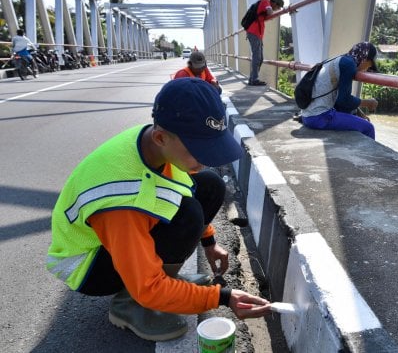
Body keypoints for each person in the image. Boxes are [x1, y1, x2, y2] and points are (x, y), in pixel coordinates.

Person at [46, 78, 271, 342]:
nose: (206, 158)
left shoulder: (154, 146)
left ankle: (162, 280)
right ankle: (129, 304)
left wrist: (209, 242)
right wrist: (222, 297)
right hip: (90, 265)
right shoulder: (122, 200)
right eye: (199, 150)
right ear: (161, 137)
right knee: (188, 216)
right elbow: (150, 280)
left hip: (116, 237)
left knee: (209, 185)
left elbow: (182, 186)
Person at [300, 41, 379, 139]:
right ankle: (370, 154)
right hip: (319, 117)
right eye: (370, 65)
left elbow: (338, 97)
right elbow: (343, 100)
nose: (368, 69)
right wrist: (368, 103)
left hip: (307, 115)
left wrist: (359, 113)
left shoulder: (338, 60)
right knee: (368, 127)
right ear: (365, 59)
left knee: (356, 118)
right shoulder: (349, 65)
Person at [245, 0, 284, 86]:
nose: (277, 9)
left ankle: (252, 79)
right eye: (278, 7)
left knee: (260, 58)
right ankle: (254, 79)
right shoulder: (266, 2)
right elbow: (270, 13)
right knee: (257, 56)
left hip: (257, 34)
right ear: (274, 3)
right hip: (254, 32)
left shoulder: (265, 4)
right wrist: (271, 12)